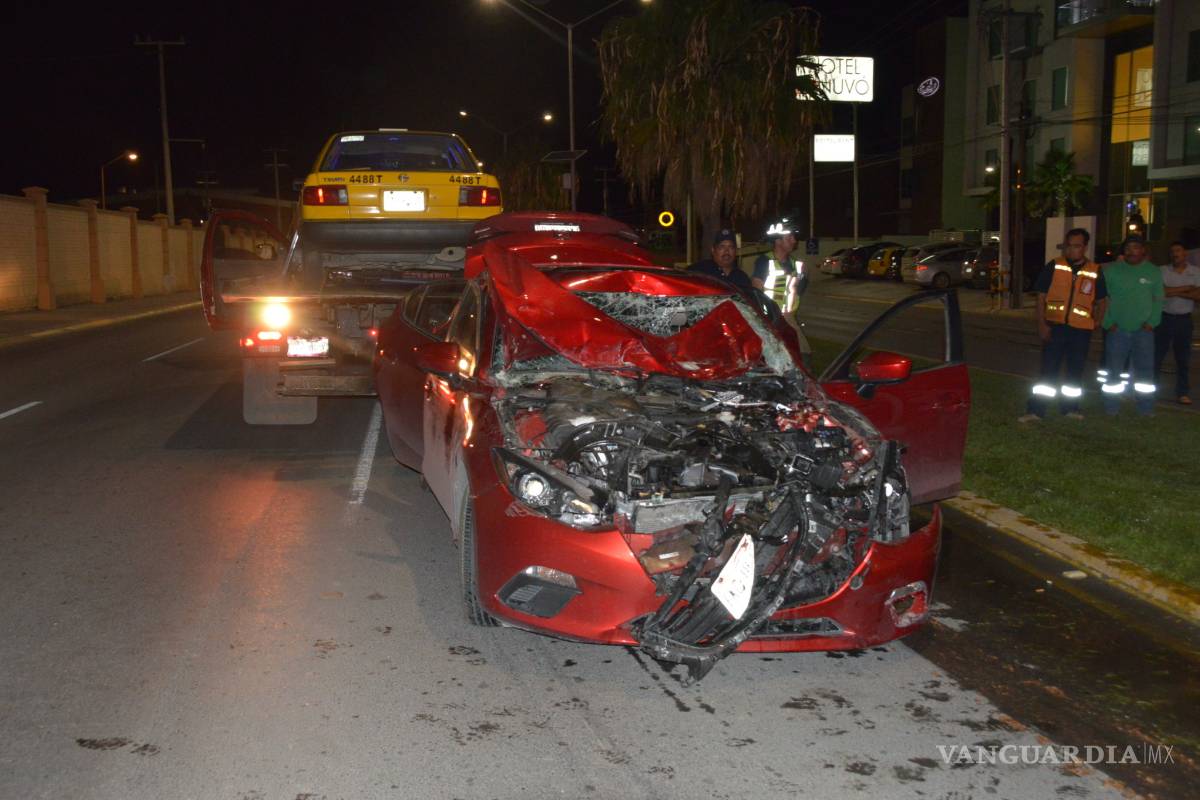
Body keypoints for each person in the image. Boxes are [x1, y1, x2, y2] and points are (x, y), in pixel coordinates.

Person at [1019, 228, 1107, 422]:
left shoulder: (1094, 271)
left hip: (1081, 331)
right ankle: (1036, 410)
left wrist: (1097, 322)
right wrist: (1042, 325)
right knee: (1048, 371)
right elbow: (1041, 297)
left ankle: (1070, 408)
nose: (1071, 250)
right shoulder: (1054, 266)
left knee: (1075, 371)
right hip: (1055, 327)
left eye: (1076, 246)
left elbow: (1102, 300)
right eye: (1069, 246)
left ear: (1084, 247)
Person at [1101, 234, 1163, 416]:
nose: (1131, 251)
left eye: (1135, 247)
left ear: (1143, 250)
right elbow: (1102, 298)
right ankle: (1111, 407)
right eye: (1127, 248)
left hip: (1144, 331)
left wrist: (1152, 322)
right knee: (1113, 371)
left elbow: (1158, 299)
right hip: (1117, 330)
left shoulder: (1153, 271)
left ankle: (1145, 408)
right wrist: (1107, 322)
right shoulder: (1112, 271)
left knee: (1145, 372)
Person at [1155, 241, 1200, 405]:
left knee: (1183, 359)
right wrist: (1186, 288)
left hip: (1184, 320)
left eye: (1178, 251)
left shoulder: (1195, 272)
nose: (1175, 254)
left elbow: (1197, 296)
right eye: (1172, 251)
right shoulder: (1162, 270)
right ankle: (1152, 390)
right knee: (1157, 357)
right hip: (1164, 318)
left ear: (1185, 253)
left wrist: (1173, 291)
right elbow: (1161, 292)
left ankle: (1182, 392)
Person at [688, 229, 753, 292]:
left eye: (731, 247)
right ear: (713, 250)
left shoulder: (742, 278)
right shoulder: (699, 270)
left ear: (735, 251)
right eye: (722, 247)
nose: (727, 251)